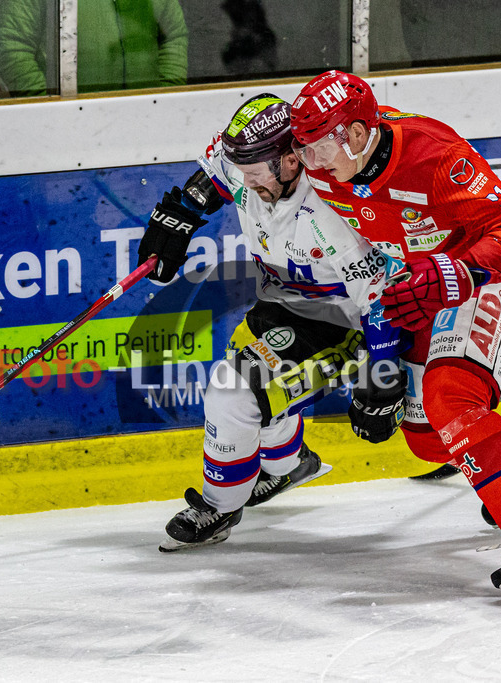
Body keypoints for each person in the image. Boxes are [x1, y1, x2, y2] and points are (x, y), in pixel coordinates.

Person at [289, 69, 501, 604]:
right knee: (426, 442)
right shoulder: (327, 167)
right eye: (303, 152)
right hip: (415, 289)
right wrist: (382, 369)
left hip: (483, 279)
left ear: (355, 133)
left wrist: (457, 273)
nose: (311, 166)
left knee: (450, 396)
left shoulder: (435, 155)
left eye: (318, 149)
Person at [137, 93, 412, 553]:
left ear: (290, 161)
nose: (243, 183)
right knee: (249, 390)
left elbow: (379, 299)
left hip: (343, 324)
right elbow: (215, 176)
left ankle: (220, 506)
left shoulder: (331, 211)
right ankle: (290, 466)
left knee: (233, 390)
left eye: (253, 173)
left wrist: (382, 376)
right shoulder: (253, 165)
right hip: (282, 305)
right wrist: (179, 215)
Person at [0, 0, 187, 96]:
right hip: (68, 132)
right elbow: (11, 48)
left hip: (148, 122)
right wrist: (48, 107)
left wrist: (166, 94)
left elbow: (173, 36)